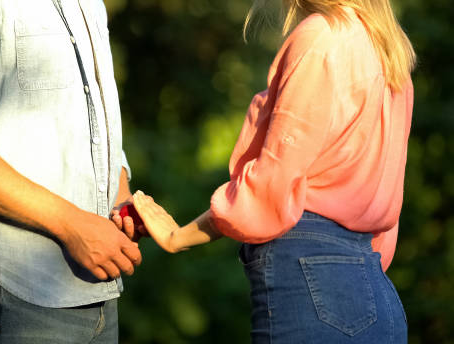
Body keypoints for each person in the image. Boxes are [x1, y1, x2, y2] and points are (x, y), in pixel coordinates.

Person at [130, 0, 415, 342]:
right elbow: (387, 196)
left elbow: (272, 184)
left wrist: (179, 237)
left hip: (310, 276)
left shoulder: (321, 36)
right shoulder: (388, 48)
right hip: (375, 290)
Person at [0, 0, 141, 342]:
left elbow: (92, 113)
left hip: (97, 290)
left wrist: (121, 199)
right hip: (12, 288)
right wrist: (70, 225)